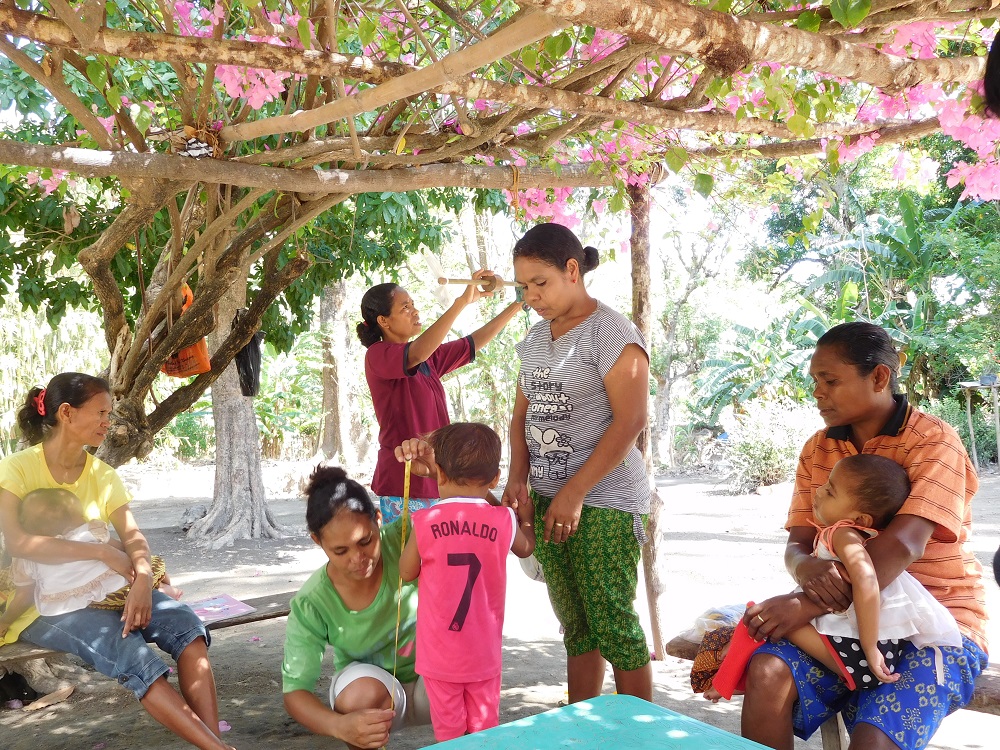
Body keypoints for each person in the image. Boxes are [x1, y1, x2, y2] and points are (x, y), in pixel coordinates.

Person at [739, 322, 989, 750]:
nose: (817, 392)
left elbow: (903, 545)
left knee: (876, 737)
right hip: (843, 619)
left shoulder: (933, 441)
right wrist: (808, 567)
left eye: (830, 380)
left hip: (938, 623)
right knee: (767, 673)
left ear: (879, 377)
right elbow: (797, 543)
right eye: (815, 381)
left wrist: (805, 602)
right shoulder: (819, 449)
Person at [0, 373, 233, 750]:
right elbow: (19, 543)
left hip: (112, 586)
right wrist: (101, 551)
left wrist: (142, 580)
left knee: (187, 629)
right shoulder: (17, 468)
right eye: (101, 413)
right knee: (133, 655)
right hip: (46, 605)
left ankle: (211, 743)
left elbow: (134, 537)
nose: (108, 422)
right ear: (66, 413)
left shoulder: (103, 476)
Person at [502, 222, 653, 704]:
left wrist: (574, 492)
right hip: (548, 499)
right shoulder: (533, 339)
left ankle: (641, 737)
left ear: (572, 270)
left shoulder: (612, 333)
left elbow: (631, 422)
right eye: (524, 286)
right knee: (576, 626)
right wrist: (518, 482)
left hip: (605, 500)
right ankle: (581, 724)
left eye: (539, 283)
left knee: (613, 623)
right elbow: (521, 416)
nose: (531, 296)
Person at [704, 454, 961, 702]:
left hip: (859, 657)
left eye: (830, 491)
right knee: (765, 622)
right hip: (862, 654)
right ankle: (728, 680)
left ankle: (725, 682)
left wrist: (870, 648)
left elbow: (867, 580)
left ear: (859, 518)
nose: (818, 492)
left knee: (761, 617)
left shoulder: (842, 533)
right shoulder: (852, 534)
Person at [396, 423, 536, 741]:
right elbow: (526, 547)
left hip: (439, 655)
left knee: (449, 732)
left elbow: (405, 572)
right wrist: (524, 517)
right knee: (483, 731)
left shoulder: (426, 521)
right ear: (495, 480)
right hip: (483, 654)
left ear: (439, 474)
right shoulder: (503, 519)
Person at [282, 465, 430, 749]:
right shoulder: (312, 602)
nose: (358, 558)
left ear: (378, 519)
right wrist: (341, 726)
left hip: (435, 684)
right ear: (318, 541)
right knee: (357, 697)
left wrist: (437, 469)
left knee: (472, 670)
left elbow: (475, 509)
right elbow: (295, 692)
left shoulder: (407, 537)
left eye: (366, 541)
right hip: (373, 695)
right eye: (341, 551)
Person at [357, 273, 523, 524]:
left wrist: (518, 304)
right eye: (405, 307)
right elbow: (418, 352)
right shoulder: (378, 355)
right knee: (410, 562)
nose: (414, 311)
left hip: (439, 480)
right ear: (384, 321)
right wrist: (461, 302)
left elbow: (471, 344)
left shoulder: (428, 361)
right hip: (405, 484)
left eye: (413, 304)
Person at [0, 487, 182, 639]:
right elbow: (124, 551)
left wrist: (6, 620)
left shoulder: (27, 556)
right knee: (148, 563)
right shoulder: (90, 532)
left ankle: (161, 589)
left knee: (132, 574)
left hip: (92, 602)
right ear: (74, 519)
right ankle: (165, 588)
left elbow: (25, 595)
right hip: (123, 590)